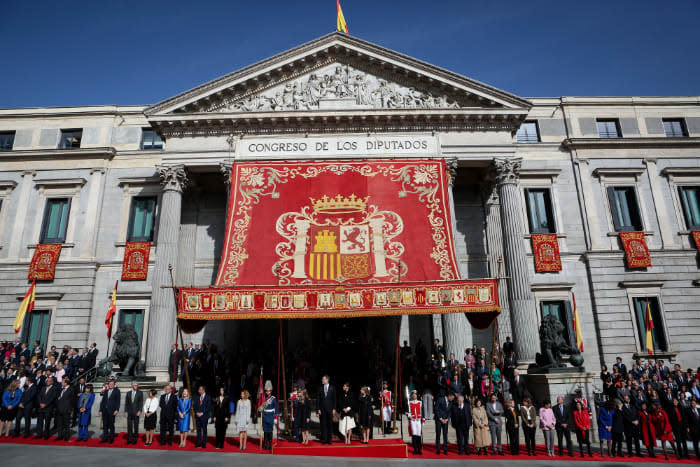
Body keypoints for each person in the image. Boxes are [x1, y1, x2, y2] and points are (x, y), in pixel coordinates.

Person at [36, 376, 58, 440]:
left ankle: (46, 435)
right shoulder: (43, 388)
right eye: (47, 381)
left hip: (48, 408)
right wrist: (40, 403)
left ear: (52, 382)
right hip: (41, 407)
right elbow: (39, 396)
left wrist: (45, 404)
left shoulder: (54, 388)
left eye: (49, 381)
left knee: (47, 422)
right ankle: (39, 434)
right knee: (39, 422)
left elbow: (52, 398)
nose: (47, 382)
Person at [316, 375, 336, 445]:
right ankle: (324, 439)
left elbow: (334, 399)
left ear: (327, 380)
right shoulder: (320, 388)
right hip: (322, 409)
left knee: (329, 424)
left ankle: (329, 440)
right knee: (323, 424)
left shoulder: (332, 388)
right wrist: (318, 409)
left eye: (323, 379)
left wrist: (334, 408)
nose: (322, 380)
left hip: (330, 409)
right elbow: (318, 400)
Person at [99, 379, 120, 444]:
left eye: (112, 384)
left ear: (114, 385)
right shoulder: (106, 391)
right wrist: (100, 410)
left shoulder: (117, 391)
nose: (111, 385)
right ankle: (105, 438)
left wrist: (117, 409)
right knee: (105, 425)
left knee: (111, 425)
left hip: (112, 410)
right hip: (105, 411)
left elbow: (118, 401)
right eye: (110, 384)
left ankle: (111, 438)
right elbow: (103, 402)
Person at [260, 380, 279, 451]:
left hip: (271, 416)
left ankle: (270, 445)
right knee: (265, 431)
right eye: (267, 391)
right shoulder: (263, 398)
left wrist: (276, 418)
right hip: (265, 415)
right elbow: (261, 408)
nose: (268, 392)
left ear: (271, 391)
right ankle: (265, 444)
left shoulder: (273, 399)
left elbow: (276, 408)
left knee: (270, 431)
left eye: (269, 391)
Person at [407, 390, 424, 454]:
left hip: (419, 420)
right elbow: (407, 412)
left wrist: (423, 419)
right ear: (411, 396)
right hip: (413, 420)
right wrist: (409, 416)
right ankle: (415, 449)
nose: (414, 396)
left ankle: (419, 449)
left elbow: (422, 411)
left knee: (419, 434)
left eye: (415, 394)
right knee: (414, 434)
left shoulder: (420, 402)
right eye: (413, 395)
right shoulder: (409, 403)